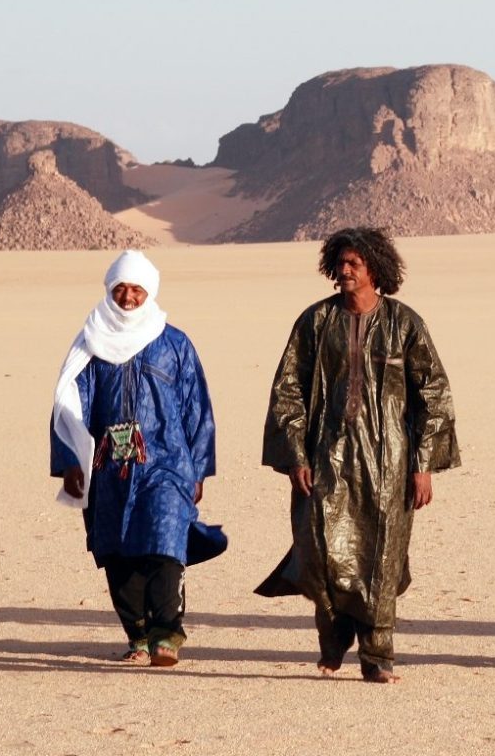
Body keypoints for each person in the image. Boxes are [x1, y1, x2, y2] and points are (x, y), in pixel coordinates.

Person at [257, 227, 460, 683]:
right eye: (341, 263)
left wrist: (423, 464)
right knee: (320, 552)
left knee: (381, 557)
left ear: (375, 269)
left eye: (355, 264)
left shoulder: (404, 323)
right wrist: (295, 455)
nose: (346, 271)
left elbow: (434, 394)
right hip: (325, 458)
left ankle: (377, 657)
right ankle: (332, 643)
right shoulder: (315, 322)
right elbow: (287, 391)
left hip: (389, 462)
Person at [50, 250, 221, 667]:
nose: (128, 297)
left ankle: (166, 634)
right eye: (120, 288)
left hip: (167, 461)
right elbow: (69, 406)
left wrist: (199, 468)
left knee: (164, 542)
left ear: (150, 292)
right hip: (109, 465)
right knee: (117, 550)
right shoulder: (90, 342)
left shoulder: (174, 343)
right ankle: (138, 635)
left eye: (136, 289)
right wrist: (71, 461)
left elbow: (196, 407)